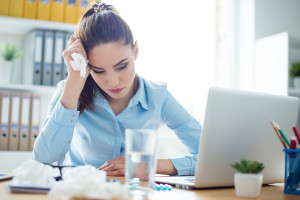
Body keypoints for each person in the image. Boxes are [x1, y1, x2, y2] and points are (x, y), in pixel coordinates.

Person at [33, 2, 202, 176]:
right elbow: (42, 162)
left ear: (135, 52)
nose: (112, 82)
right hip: (81, 191)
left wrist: (147, 164)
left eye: (121, 66)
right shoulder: (69, 90)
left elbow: (211, 157)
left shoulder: (158, 97)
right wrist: (74, 83)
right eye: (98, 71)